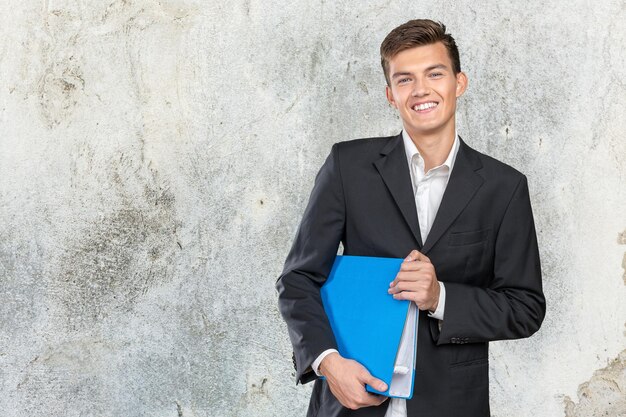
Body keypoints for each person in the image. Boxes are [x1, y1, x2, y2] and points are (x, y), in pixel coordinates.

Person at [276, 19, 546, 417]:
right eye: (405, 80)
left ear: (459, 82)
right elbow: (297, 279)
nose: (420, 90)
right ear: (390, 94)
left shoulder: (503, 187)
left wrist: (440, 298)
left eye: (434, 74)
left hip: (452, 404)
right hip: (351, 400)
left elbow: (525, 307)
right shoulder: (347, 167)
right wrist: (329, 364)